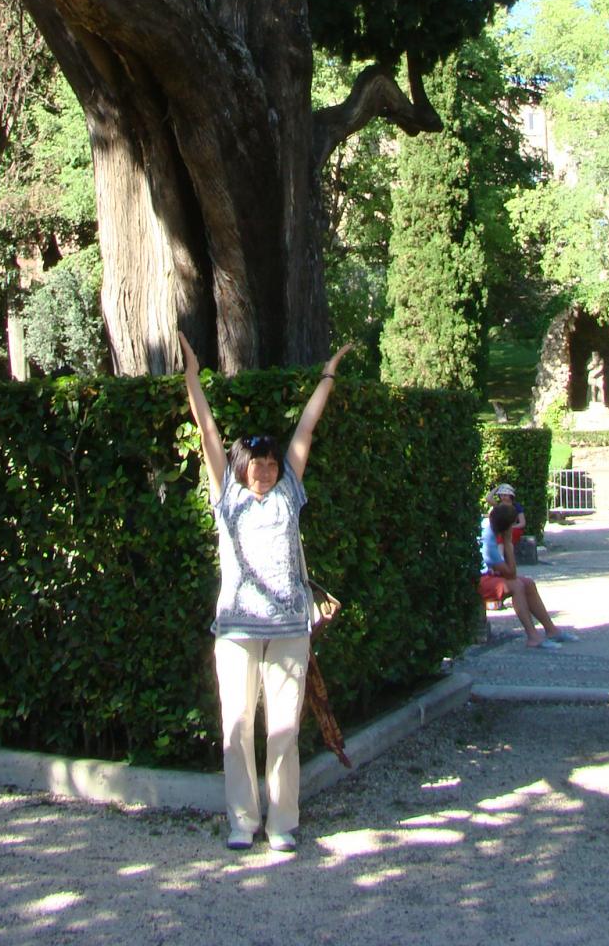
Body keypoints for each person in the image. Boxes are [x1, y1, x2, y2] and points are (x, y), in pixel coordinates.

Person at [179, 329, 353, 854]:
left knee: (283, 730)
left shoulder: (289, 491)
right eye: (257, 463)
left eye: (272, 463)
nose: (266, 470)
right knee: (236, 726)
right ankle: (241, 821)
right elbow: (207, 429)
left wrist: (328, 374)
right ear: (241, 466)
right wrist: (191, 374)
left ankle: (281, 823)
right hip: (235, 631)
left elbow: (306, 427)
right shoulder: (227, 495)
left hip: (289, 630)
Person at [480, 500, 577, 649]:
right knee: (516, 586)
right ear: (507, 527)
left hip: (486, 574)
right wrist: (508, 543)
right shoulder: (490, 545)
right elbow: (511, 574)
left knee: (528, 583)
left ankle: (551, 630)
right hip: (477, 579)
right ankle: (533, 637)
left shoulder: (486, 525)